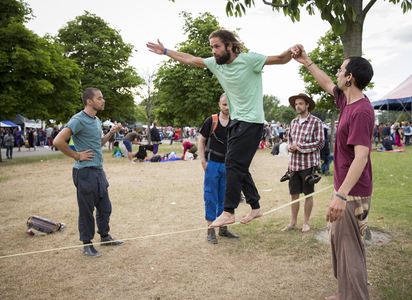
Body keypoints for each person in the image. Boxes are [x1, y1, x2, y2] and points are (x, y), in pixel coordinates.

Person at [147, 29, 297, 226]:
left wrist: (291, 50)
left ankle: (228, 210)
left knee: (232, 162)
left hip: (252, 121)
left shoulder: (249, 60)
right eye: (212, 47)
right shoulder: (215, 64)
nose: (214, 51)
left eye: (217, 46)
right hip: (236, 121)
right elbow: (191, 59)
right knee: (237, 165)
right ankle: (256, 206)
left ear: (230, 46)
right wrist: (166, 51)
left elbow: (280, 59)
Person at [293, 43, 375, 300]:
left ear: (350, 77)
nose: (338, 74)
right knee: (340, 244)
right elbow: (326, 82)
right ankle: (345, 294)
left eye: (342, 71)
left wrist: (341, 195)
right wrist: (306, 61)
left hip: (352, 193)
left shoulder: (361, 111)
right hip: (344, 190)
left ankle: (355, 297)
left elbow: (361, 157)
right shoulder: (347, 102)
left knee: (350, 249)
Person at [53, 87, 124, 258]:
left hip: (98, 171)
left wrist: (111, 133)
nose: (103, 100)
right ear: (89, 101)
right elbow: (58, 141)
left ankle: (105, 237)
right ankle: (87, 244)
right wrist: (77, 155)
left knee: (105, 207)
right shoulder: (78, 119)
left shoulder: (96, 120)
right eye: (100, 98)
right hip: (85, 173)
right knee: (86, 210)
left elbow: (97, 143)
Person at [198, 93, 239, 244]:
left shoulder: (236, 121)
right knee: (210, 197)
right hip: (212, 164)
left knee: (225, 197)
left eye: (229, 104)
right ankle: (210, 230)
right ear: (219, 105)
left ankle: (223, 229)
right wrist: (203, 161)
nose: (227, 108)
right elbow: (201, 141)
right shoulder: (212, 120)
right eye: (224, 105)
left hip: (228, 166)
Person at [282, 93, 324, 233]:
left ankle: (305, 223)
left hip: (308, 165)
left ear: (307, 105)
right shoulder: (293, 122)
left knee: (308, 194)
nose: (297, 106)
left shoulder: (316, 122)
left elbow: (320, 143)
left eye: (300, 103)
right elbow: (290, 141)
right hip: (294, 165)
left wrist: (299, 147)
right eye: (296, 104)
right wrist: (289, 147)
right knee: (294, 195)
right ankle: (293, 222)